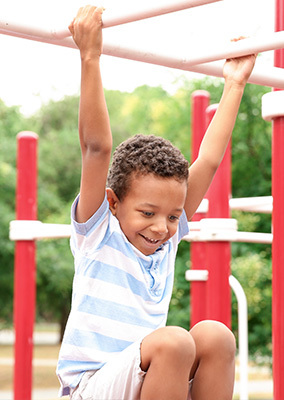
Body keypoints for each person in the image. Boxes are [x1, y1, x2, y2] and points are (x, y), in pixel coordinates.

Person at [56, 5, 256, 400]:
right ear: (113, 203)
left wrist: (234, 84)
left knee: (215, 335)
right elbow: (97, 148)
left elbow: (209, 161)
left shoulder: (166, 239)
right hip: (90, 388)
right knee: (175, 342)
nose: (162, 227)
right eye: (147, 213)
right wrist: (90, 56)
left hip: (142, 379)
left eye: (172, 216)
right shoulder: (99, 233)